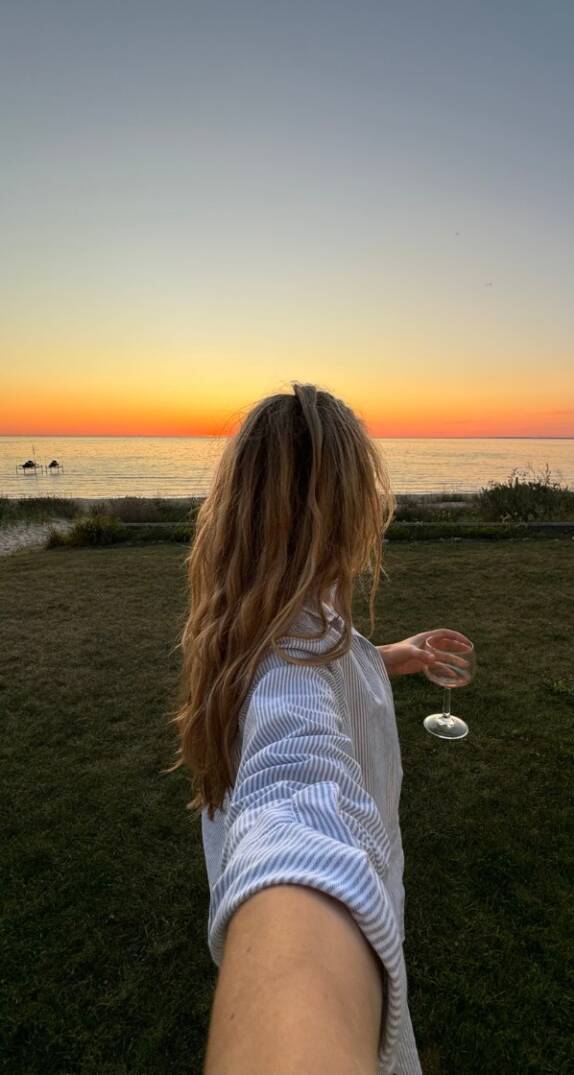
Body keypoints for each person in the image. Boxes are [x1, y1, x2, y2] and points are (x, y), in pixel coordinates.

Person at [166, 382, 470, 1074]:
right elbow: (295, 788)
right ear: (340, 511)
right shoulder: (285, 662)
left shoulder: (274, 617)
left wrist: (395, 654)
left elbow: (331, 666)